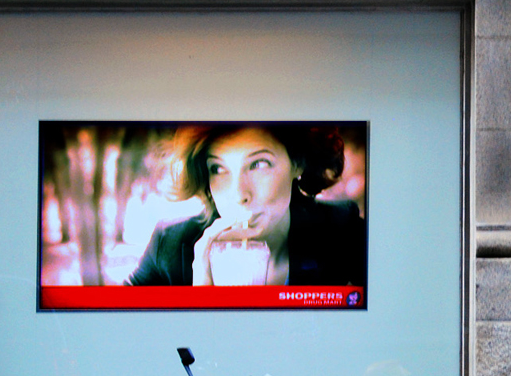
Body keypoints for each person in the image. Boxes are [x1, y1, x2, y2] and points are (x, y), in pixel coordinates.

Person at [126, 123, 366, 288]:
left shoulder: (342, 230)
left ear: (298, 163)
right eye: (218, 169)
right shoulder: (170, 245)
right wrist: (199, 310)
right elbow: (116, 338)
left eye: (259, 164)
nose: (239, 194)